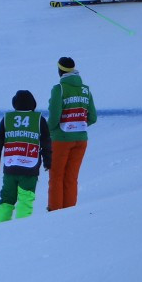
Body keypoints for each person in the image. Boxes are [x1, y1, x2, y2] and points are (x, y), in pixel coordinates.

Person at [0, 90, 51, 222]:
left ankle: (0, 225)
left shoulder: (7, 119)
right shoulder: (39, 119)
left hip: (10, 167)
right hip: (30, 167)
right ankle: (21, 228)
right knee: (26, 199)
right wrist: (48, 162)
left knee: (6, 199)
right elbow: (46, 143)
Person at [47, 57, 97, 211]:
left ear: (59, 70)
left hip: (61, 139)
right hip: (81, 140)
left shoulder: (59, 89)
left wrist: (48, 131)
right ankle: (69, 212)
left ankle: (55, 211)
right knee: (71, 177)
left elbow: (54, 117)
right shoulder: (85, 89)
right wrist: (78, 124)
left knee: (56, 176)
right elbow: (93, 117)